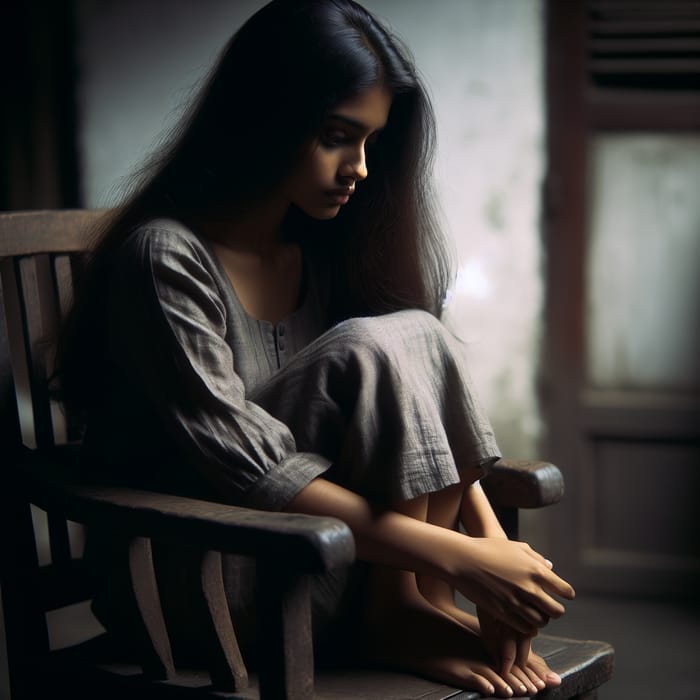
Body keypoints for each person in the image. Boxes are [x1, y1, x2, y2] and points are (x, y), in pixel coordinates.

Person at [55, 0, 575, 696]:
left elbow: (423, 408)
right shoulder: (164, 259)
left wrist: (492, 551)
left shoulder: (323, 252)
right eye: (337, 136)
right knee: (377, 341)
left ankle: (403, 611)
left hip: (326, 570)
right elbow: (249, 471)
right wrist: (458, 558)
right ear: (266, 115)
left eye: (369, 143)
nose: (358, 168)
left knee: (411, 329)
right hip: (203, 584)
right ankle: (397, 612)